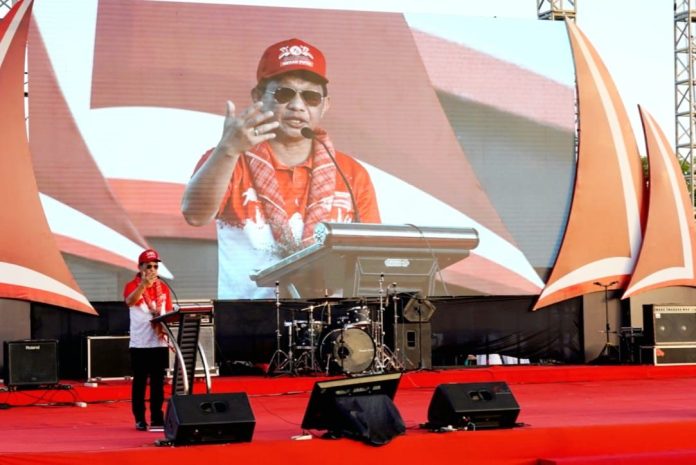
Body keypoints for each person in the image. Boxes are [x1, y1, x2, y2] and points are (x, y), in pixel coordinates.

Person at [182, 38, 381, 299]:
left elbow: (372, 257)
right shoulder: (227, 158)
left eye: (310, 96)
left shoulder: (350, 172)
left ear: (325, 104)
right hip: (248, 327)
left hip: (331, 327)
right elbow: (195, 216)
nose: (297, 105)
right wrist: (228, 149)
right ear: (257, 97)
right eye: (284, 94)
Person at [123, 248, 172, 431]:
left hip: (158, 341)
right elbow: (129, 301)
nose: (152, 270)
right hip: (140, 343)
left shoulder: (164, 288)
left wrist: (165, 321)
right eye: (148, 266)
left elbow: (168, 311)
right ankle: (140, 418)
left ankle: (157, 417)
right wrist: (143, 285)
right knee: (140, 382)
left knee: (158, 383)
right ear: (140, 267)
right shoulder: (132, 285)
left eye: (155, 266)